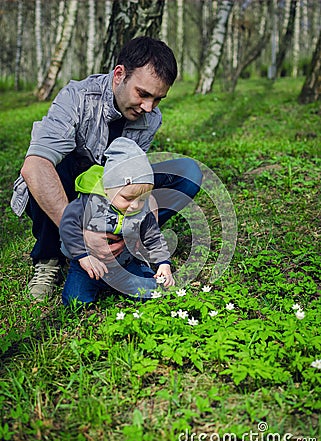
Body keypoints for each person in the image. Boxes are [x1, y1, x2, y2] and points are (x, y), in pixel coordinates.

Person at [11, 36, 202, 300]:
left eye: (158, 99)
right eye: (143, 94)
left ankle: (126, 242)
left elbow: (135, 177)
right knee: (49, 166)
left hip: (114, 192)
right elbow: (34, 167)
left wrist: (135, 223)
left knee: (189, 173)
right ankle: (50, 257)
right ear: (119, 74)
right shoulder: (76, 97)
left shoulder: (150, 117)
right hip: (75, 194)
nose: (148, 107)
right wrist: (83, 233)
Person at [60, 137, 174, 305]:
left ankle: (139, 270)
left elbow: (153, 237)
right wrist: (83, 256)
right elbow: (68, 226)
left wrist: (164, 263)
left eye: (142, 199)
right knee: (74, 300)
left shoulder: (142, 210)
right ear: (107, 188)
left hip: (124, 265)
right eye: (127, 198)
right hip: (88, 266)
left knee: (153, 291)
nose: (135, 205)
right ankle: (94, 285)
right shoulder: (89, 202)